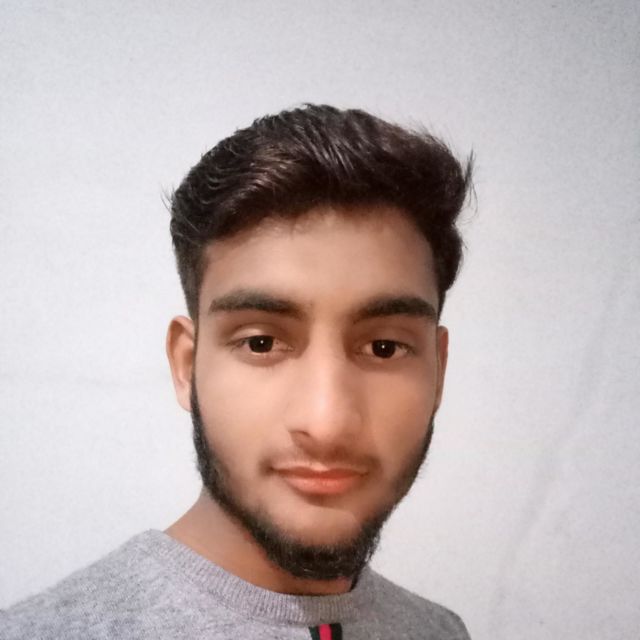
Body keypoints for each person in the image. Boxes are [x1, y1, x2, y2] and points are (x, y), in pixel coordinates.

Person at [2, 104, 473, 639]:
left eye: (384, 348)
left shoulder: (440, 631)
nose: (327, 424)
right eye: (261, 342)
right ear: (186, 365)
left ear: (439, 371)